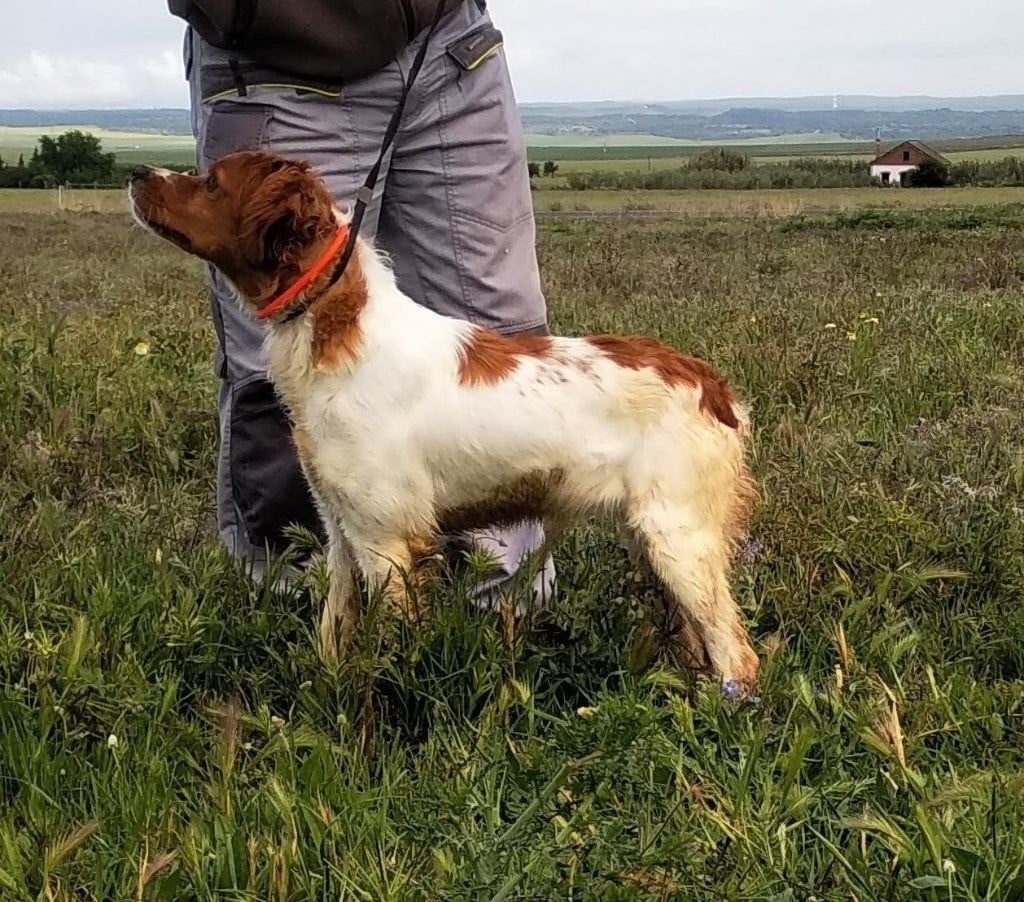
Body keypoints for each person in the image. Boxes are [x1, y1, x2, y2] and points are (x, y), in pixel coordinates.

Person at [167, 0, 555, 607]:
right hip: (274, 53)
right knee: (283, 378)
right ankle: (297, 625)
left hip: (448, 48)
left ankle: (500, 626)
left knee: (502, 342)